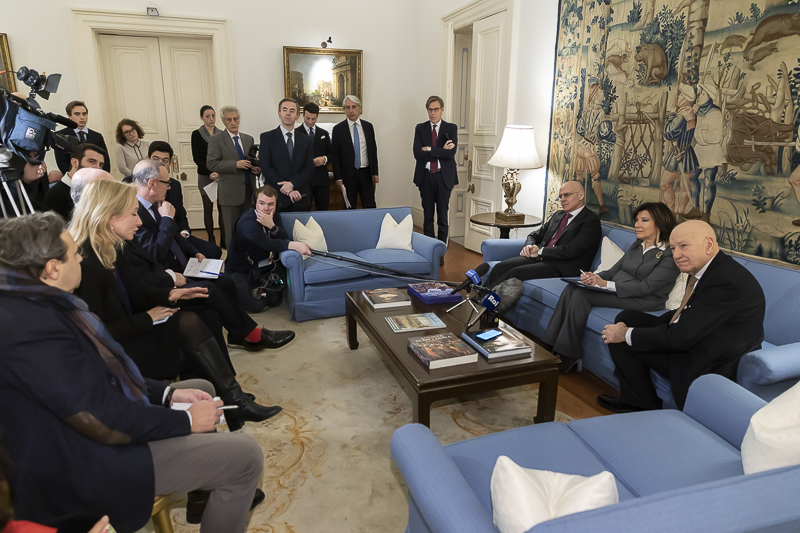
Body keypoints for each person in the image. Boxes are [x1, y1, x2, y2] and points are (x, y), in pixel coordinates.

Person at [0, 212, 264, 533]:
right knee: (245, 457)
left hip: (87, 438)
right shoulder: (33, 328)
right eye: (74, 254)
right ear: (52, 269)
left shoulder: (33, 305)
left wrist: (167, 393)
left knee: (200, 387)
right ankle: (214, 477)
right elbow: (102, 418)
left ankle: (202, 494)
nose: (80, 257)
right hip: (86, 463)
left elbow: (103, 377)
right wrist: (186, 420)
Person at [70, 180, 283, 428]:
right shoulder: (85, 263)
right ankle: (233, 401)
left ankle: (228, 399)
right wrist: (148, 317)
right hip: (116, 348)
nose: (138, 221)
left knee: (207, 313)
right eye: (132, 214)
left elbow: (137, 292)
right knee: (190, 323)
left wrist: (171, 295)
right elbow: (98, 334)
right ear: (109, 217)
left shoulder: (111, 247)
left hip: (133, 324)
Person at [599, 220, 766, 412]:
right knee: (627, 317)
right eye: (673, 248)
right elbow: (690, 313)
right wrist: (632, 328)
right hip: (698, 339)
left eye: (684, 246)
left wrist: (627, 334)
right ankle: (640, 399)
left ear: (709, 245)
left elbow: (680, 337)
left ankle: (640, 404)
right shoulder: (708, 269)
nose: (676, 255)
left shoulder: (725, 283)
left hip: (704, 361)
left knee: (622, 337)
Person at [544, 202, 680, 373]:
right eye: (636, 220)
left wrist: (605, 284)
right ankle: (549, 345)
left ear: (660, 223)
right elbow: (615, 269)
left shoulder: (669, 254)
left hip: (644, 300)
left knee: (581, 296)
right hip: (618, 289)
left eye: (644, 220)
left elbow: (646, 288)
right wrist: (596, 277)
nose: (637, 224)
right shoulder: (637, 245)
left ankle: (568, 353)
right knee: (572, 288)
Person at [483, 180, 602, 287]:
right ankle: (481, 299)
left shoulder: (590, 221)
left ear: (581, 195)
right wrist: (529, 246)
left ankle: (486, 306)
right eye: (561, 196)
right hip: (541, 258)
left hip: (563, 266)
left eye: (567, 195)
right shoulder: (559, 215)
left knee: (515, 273)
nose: (563, 199)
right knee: (501, 267)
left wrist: (540, 251)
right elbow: (534, 235)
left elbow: (571, 250)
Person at [226, 185, 312, 311]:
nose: (266, 208)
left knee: (274, 300)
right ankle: (229, 290)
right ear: (255, 203)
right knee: (257, 305)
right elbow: (266, 243)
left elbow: (283, 236)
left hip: (260, 268)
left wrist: (272, 226)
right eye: (262, 203)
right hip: (239, 270)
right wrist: (294, 245)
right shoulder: (247, 221)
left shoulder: (273, 216)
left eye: (271, 204)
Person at [148, 140, 222, 259]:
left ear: (170, 163)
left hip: (177, 236)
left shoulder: (175, 185)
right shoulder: (136, 185)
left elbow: (181, 215)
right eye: (155, 159)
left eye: (165, 160)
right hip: (154, 239)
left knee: (214, 251)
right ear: (147, 159)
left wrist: (184, 232)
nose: (160, 164)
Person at [413, 96, 458, 264]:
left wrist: (430, 149)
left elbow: (450, 154)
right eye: (430, 110)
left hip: (443, 177)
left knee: (443, 218)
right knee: (427, 217)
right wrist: (439, 150)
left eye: (436, 109)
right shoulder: (420, 128)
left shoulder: (450, 128)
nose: (433, 113)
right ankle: (429, 252)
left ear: (442, 109)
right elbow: (417, 153)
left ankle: (440, 254)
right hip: (426, 177)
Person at [207, 105, 259, 247]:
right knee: (231, 231)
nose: (232, 122)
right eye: (229, 120)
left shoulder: (248, 139)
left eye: (235, 119)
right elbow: (211, 163)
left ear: (239, 120)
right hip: (229, 194)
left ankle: (249, 259)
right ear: (223, 121)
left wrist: (256, 168)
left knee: (248, 229)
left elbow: (252, 160)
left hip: (249, 191)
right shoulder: (216, 139)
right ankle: (233, 262)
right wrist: (235, 165)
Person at [259, 98, 314, 212]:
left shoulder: (306, 140)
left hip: (300, 196)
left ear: (298, 115)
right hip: (276, 197)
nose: (288, 113)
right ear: (279, 113)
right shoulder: (267, 138)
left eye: (292, 111)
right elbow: (266, 167)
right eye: (284, 110)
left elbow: (309, 168)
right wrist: (287, 188)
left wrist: (293, 184)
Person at [331, 95, 379, 209]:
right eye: (347, 107)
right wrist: (338, 177)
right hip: (348, 174)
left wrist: (375, 172)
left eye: (354, 107)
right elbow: (335, 155)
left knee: (370, 205)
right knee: (350, 206)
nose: (351, 110)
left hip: (366, 173)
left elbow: (373, 150)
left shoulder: (368, 127)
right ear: (344, 110)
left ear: (360, 108)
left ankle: (369, 226)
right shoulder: (338, 129)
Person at [659, 84, 699, 215]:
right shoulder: (691, 112)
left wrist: (671, 116)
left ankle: (672, 211)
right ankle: (679, 213)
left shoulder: (682, 115)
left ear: (686, 99)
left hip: (679, 152)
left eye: (681, 95)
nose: (679, 96)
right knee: (683, 186)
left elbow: (669, 133)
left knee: (665, 184)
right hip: (687, 152)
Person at [689, 84, 726, 223]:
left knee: (708, 182)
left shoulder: (715, 113)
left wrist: (701, 135)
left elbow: (716, 136)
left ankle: (706, 214)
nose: (699, 96)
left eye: (703, 94)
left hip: (711, 150)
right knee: (692, 177)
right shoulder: (700, 111)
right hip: (700, 149)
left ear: (710, 98)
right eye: (699, 94)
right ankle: (695, 208)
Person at [41, 143, 106, 220]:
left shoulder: (97, 191)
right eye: (91, 161)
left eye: (101, 165)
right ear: (75, 163)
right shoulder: (55, 195)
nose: (98, 168)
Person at [191, 105, 224, 246]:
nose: (211, 119)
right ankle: (211, 237)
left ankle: (223, 238)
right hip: (205, 176)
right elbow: (197, 158)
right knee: (208, 208)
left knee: (222, 208)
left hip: (219, 176)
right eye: (207, 116)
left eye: (213, 115)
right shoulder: (197, 134)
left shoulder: (221, 133)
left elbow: (224, 156)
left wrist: (219, 172)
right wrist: (210, 172)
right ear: (201, 118)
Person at [53, 101, 111, 174]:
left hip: (96, 177)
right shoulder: (61, 135)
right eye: (77, 114)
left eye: (84, 114)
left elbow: (105, 160)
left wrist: (102, 177)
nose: (82, 117)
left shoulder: (97, 136)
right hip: (74, 178)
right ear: (69, 116)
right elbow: (62, 162)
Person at [295, 102, 333, 210]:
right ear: (303, 115)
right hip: (303, 181)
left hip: (321, 181)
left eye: (313, 119)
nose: (310, 121)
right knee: (303, 211)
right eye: (307, 118)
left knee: (323, 211)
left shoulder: (324, 134)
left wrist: (324, 159)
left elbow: (332, 154)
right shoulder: (296, 133)